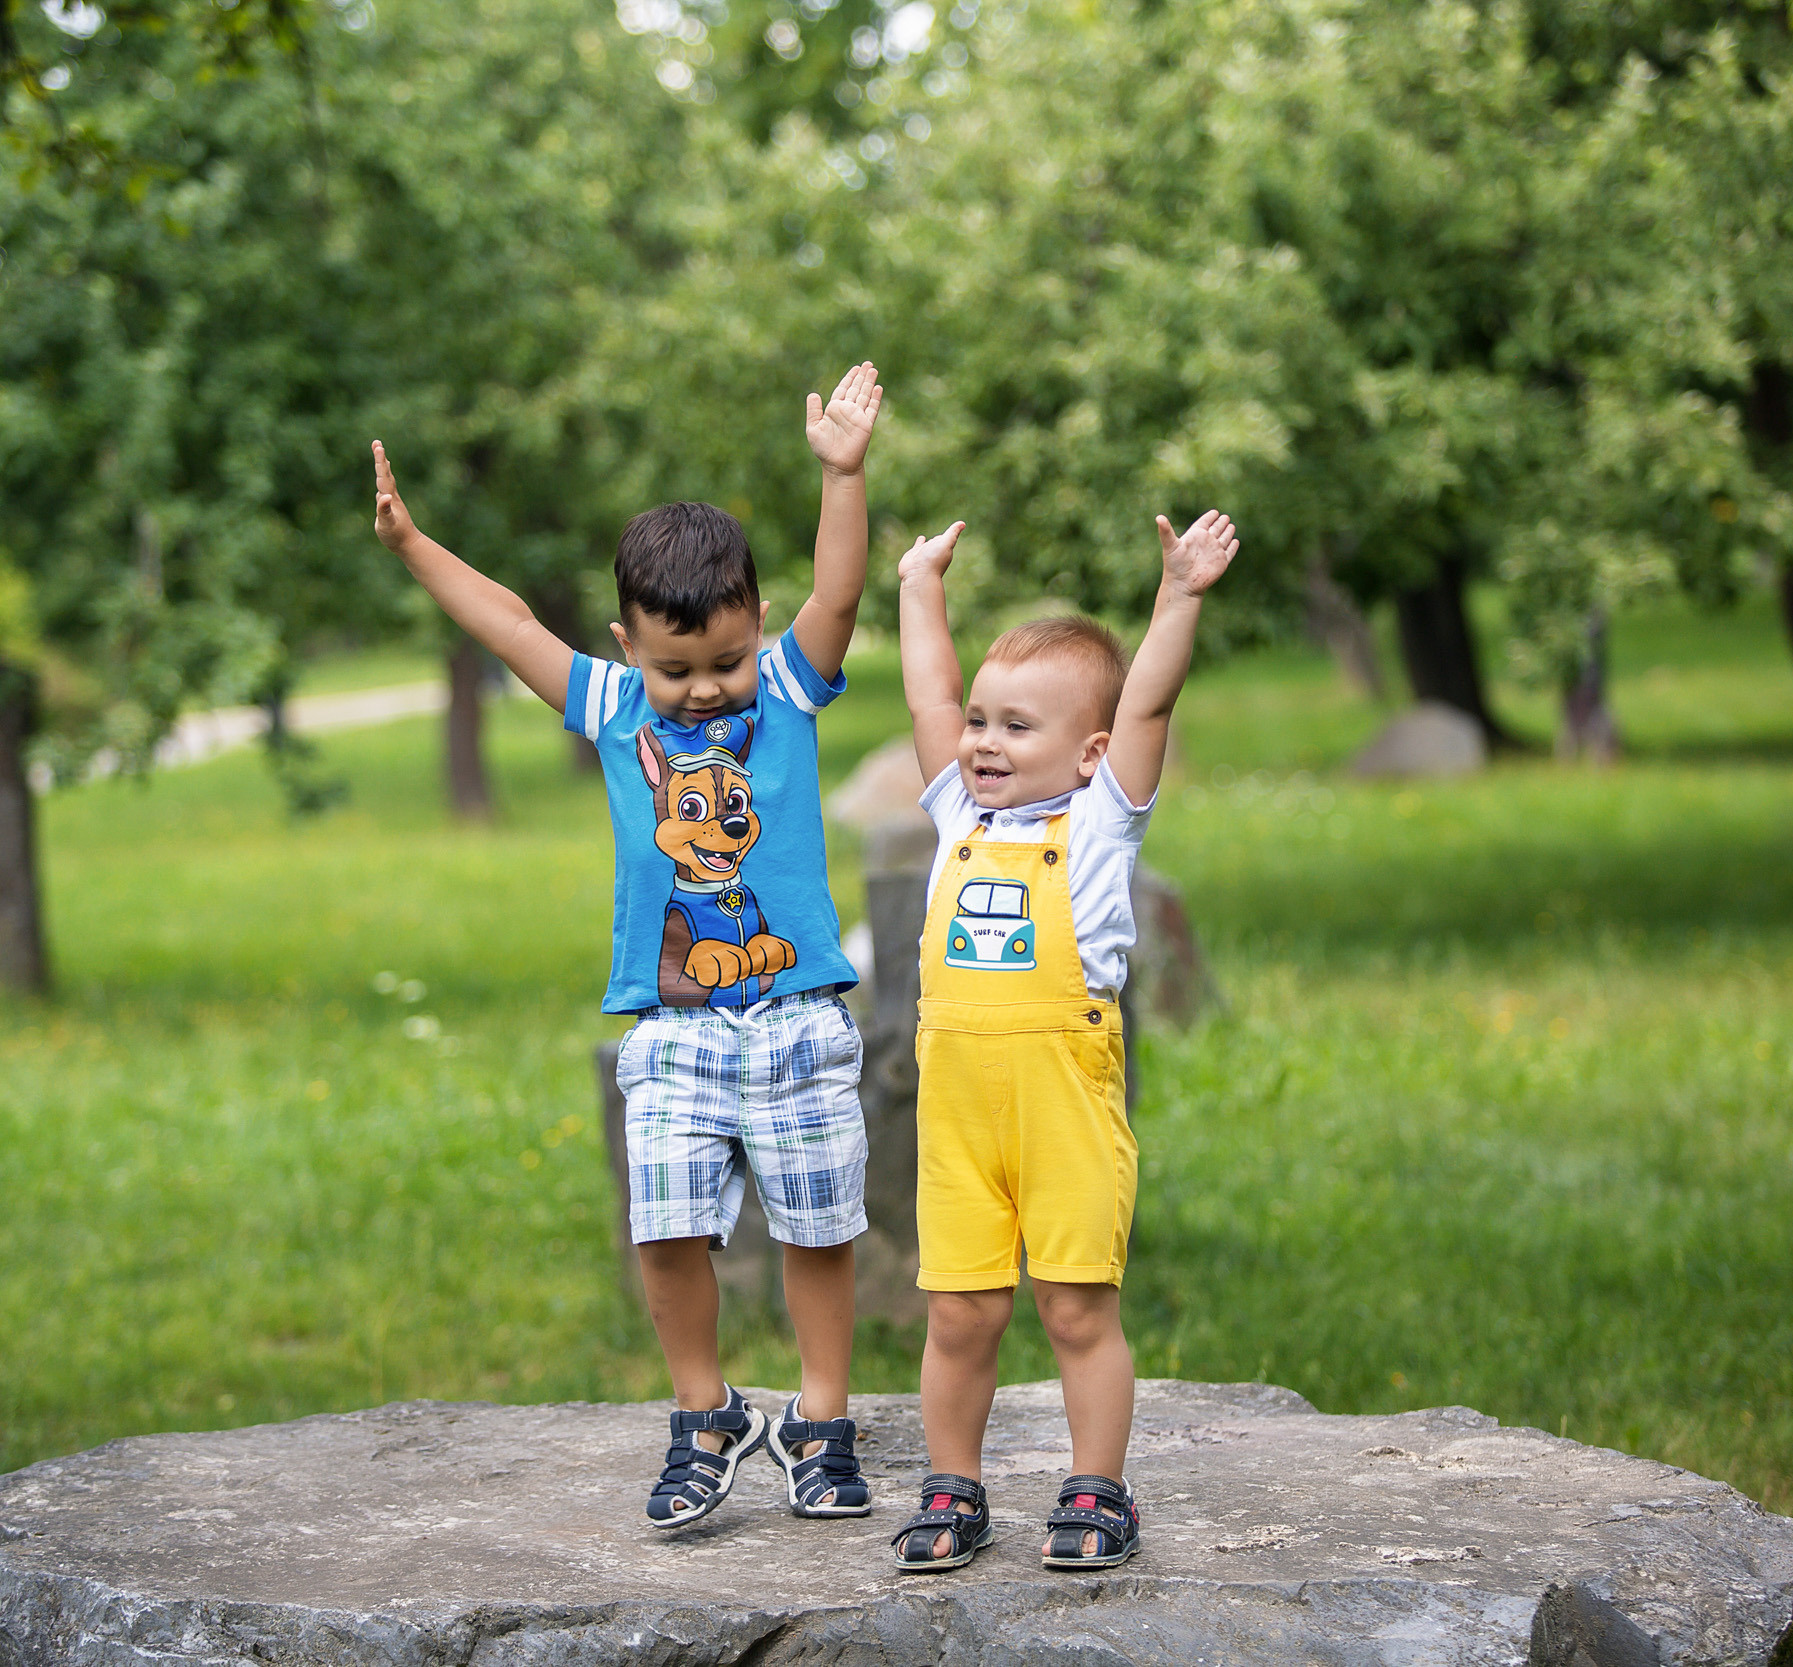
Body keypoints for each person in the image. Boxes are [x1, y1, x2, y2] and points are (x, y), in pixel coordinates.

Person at [370, 364, 888, 1529]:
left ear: (758, 626)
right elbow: (509, 621)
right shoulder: (611, 707)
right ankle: (705, 1410)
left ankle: (820, 1416)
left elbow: (841, 589)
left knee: (818, 1227)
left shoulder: (789, 688)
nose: (703, 690)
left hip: (797, 1017)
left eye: (724, 661)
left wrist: (842, 474)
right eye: (675, 669)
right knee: (664, 1226)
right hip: (671, 1027)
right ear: (626, 644)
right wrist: (411, 545)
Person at [886, 506, 1239, 1572]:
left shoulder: (1099, 820)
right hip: (959, 1118)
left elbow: (1149, 700)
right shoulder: (958, 813)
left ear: (1091, 753)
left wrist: (1177, 595)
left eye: (1015, 726)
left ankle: (1097, 1486)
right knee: (959, 1311)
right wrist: (917, 589)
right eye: (981, 722)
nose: (983, 741)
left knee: (1076, 1307)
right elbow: (928, 696)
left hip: (1066, 1110)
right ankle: (954, 1485)